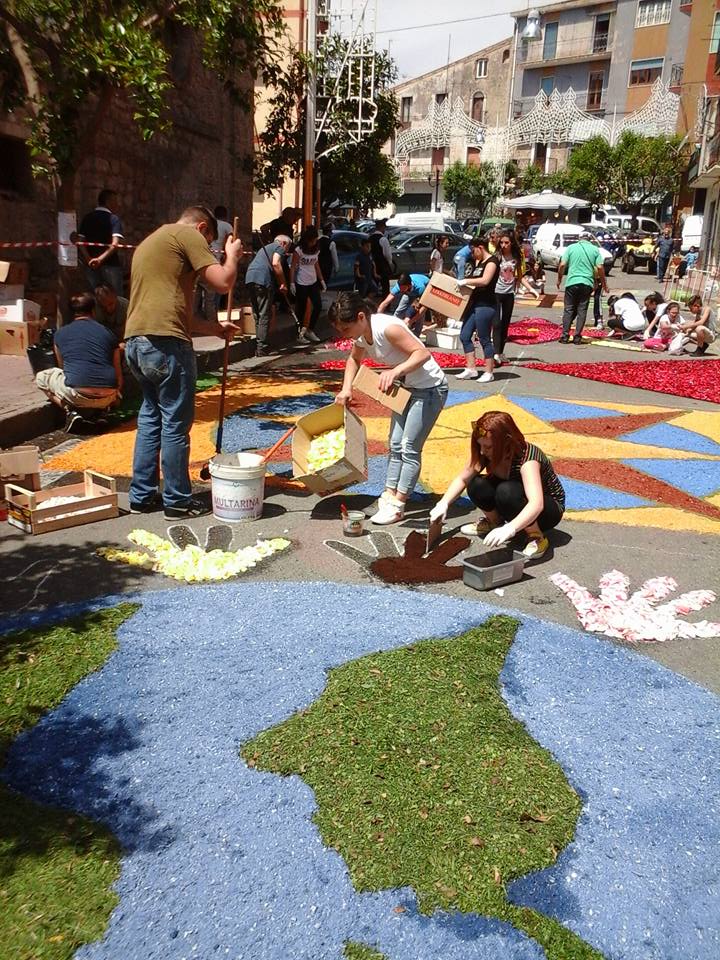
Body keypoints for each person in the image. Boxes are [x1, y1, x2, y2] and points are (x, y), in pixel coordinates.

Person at [123, 205, 242, 519]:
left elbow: (180, 312)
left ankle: (142, 497)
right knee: (175, 425)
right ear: (202, 228)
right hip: (166, 345)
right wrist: (231, 255)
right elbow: (222, 282)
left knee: (150, 421)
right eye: (210, 244)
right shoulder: (188, 235)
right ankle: (176, 501)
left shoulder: (152, 241)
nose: (209, 250)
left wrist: (214, 328)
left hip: (137, 343)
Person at [331, 291, 448, 525]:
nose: (344, 335)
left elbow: (423, 353)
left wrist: (395, 371)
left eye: (345, 328)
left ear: (361, 317)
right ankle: (389, 494)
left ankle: (398, 504)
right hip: (406, 390)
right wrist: (346, 389)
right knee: (394, 444)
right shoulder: (362, 335)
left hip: (429, 389)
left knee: (409, 447)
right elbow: (353, 359)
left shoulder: (387, 329)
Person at [428, 410, 565, 562]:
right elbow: (463, 479)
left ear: (506, 442)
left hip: (547, 510)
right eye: (480, 445)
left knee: (507, 491)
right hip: (515, 500)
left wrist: (510, 529)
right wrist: (444, 503)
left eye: (488, 447)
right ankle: (494, 522)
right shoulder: (486, 452)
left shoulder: (528, 459)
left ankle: (536, 536)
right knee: (477, 484)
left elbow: (536, 504)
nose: (482, 451)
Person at [36, 293, 122, 432]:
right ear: (93, 311)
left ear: (72, 313)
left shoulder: (60, 334)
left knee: (41, 378)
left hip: (77, 393)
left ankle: (70, 410)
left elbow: (63, 367)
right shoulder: (108, 333)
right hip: (109, 395)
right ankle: (102, 411)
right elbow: (118, 372)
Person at [456, 235, 499, 383]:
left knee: (484, 338)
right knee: (465, 335)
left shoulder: (492, 261)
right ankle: (471, 368)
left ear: (480, 248)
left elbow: (485, 280)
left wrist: (466, 281)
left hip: (486, 304)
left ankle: (489, 371)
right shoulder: (478, 261)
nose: (472, 254)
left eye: (473, 251)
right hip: (474, 304)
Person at [493, 230, 540, 364]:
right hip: (496, 293)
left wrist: (531, 289)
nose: (503, 245)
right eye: (501, 242)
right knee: (496, 324)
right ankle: (495, 353)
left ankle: (500, 352)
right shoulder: (496, 256)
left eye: (506, 242)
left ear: (511, 243)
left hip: (508, 294)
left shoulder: (516, 257)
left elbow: (519, 276)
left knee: (505, 324)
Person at [245, 234, 292, 357]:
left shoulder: (266, 248)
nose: (286, 252)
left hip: (250, 277)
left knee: (257, 314)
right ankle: (262, 347)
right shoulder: (279, 247)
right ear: (284, 243)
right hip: (263, 280)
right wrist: (283, 283)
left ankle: (259, 343)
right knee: (264, 314)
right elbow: (276, 263)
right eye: (288, 248)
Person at [557, 230, 607, 344]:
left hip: (572, 282)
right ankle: (577, 337)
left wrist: (559, 278)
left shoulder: (571, 248)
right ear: (590, 239)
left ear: (579, 238)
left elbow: (562, 264)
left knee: (568, 309)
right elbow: (600, 267)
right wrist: (604, 283)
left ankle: (565, 336)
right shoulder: (595, 250)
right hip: (587, 283)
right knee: (582, 310)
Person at [78, 189, 125, 295]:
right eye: (115, 201)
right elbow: (115, 244)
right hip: (111, 265)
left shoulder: (87, 218)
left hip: (91, 266)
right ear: (108, 202)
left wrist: (89, 259)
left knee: (95, 297)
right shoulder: (114, 219)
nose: (118, 205)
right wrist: (100, 259)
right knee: (116, 297)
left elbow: (80, 242)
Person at [290, 225, 326, 344]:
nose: (314, 242)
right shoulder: (298, 250)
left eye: (315, 240)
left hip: (313, 281)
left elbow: (316, 264)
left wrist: (321, 280)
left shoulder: (316, 249)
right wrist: (292, 283)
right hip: (301, 282)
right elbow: (293, 267)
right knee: (301, 308)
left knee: (318, 306)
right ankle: (299, 333)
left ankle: (310, 329)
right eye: (312, 240)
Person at [369, 219, 394, 297]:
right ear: (382, 227)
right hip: (382, 266)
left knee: (373, 287)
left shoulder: (369, 238)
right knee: (385, 288)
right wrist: (390, 264)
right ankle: (386, 305)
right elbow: (388, 255)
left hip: (372, 265)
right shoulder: (383, 239)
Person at [318, 222, 339, 286]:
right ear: (329, 232)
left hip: (318, 267)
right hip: (327, 268)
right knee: (324, 284)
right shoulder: (332, 243)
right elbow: (334, 257)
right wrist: (336, 268)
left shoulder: (317, 241)